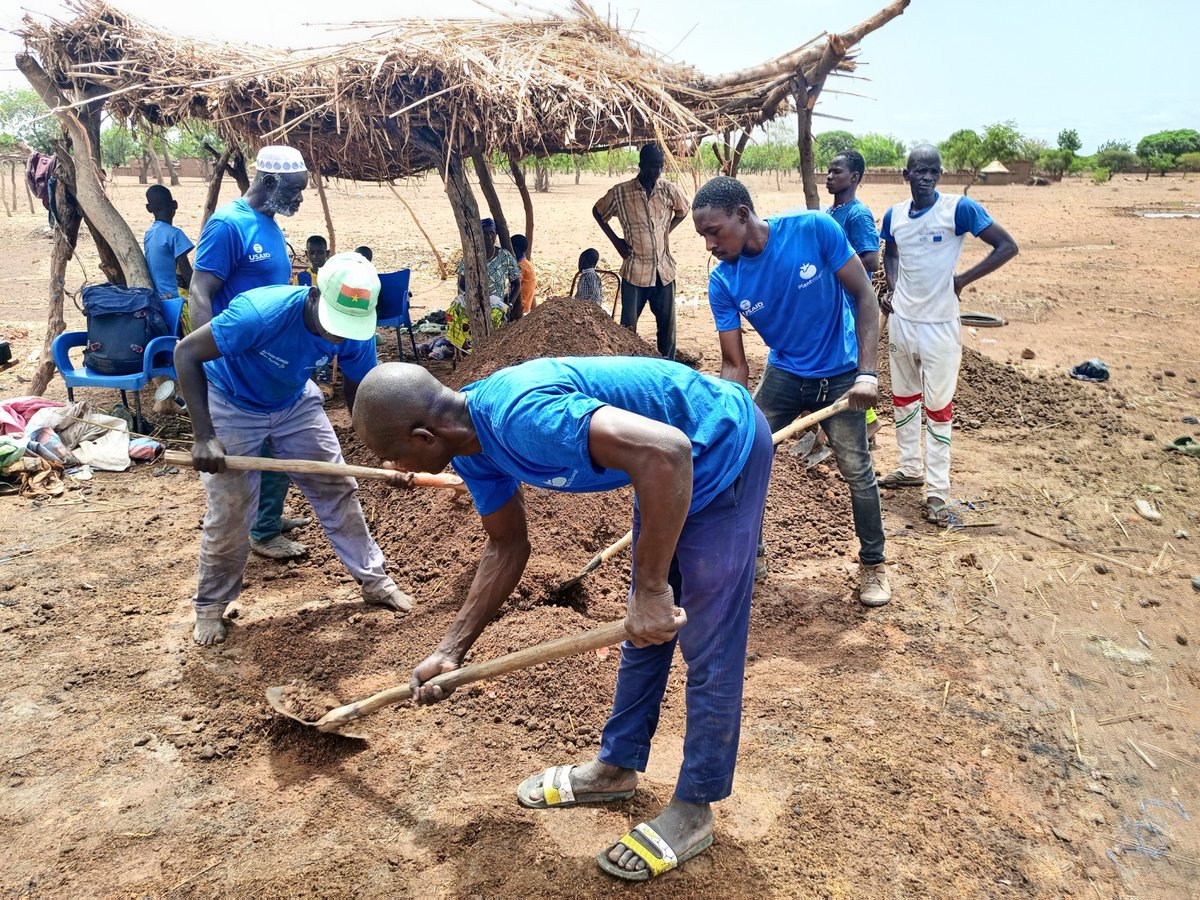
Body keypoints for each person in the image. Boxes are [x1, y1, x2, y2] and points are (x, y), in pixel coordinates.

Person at [351, 356, 772, 882]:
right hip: (665, 471)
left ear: (424, 436)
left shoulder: (521, 417)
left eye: (392, 457)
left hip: (720, 444)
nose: (395, 470)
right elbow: (506, 547)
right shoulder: (473, 449)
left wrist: (650, 587)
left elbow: (668, 452)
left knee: (709, 642)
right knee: (644, 630)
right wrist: (451, 650)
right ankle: (616, 766)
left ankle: (694, 807)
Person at [174, 252, 413, 646]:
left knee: (338, 487)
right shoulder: (258, 313)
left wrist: (374, 446)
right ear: (314, 294)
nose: (337, 338)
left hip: (293, 400)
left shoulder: (355, 330)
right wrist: (203, 436)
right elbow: (185, 353)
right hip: (231, 400)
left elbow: (359, 388)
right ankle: (210, 607)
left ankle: (375, 582)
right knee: (232, 509)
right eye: (333, 326)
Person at [693, 175, 890, 607]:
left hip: (841, 371)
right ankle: (751, 557)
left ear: (742, 215)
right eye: (702, 235)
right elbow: (733, 364)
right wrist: (733, 417)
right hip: (785, 373)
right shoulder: (724, 282)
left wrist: (867, 374)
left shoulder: (814, 229)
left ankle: (873, 564)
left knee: (856, 468)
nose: (709, 245)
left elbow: (864, 297)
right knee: (743, 461)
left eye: (713, 232)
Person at [879, 145, 1019, 526]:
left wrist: (961, 280)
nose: (927, 177)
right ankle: (909, 469)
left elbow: (1007, 246)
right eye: (919, 171)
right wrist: (891, 288)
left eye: (934, 171)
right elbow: (890, 252)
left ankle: (937, 491)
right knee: (904, 399)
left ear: (940, 175)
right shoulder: (894, 216)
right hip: (903, 323)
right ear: (905, 175)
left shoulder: (958, 210)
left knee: (938, 410)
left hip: (940, 325)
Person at [189, 145, 312, 562]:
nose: (299, 199)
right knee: (251, 459)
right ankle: (259, 532)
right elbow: (200, 291)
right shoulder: (227, 224)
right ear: (270, 181)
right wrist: (207, 356)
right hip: (237, 361)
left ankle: (269, 518)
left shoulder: (269, 223)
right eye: (295, 191)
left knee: (275, 448)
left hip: (269, 362)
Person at [593, 144, 689, 359]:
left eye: (660, 166)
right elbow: (598, 211)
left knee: (667, 328)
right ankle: (628, 368)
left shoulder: (667, 190)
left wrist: (666, 231)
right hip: (635, 271)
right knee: (627, 329)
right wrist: (616, 241)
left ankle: (668, 367)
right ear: (641, 165)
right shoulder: (621, 192)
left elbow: (684, 209)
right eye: (653, 166)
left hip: (663, 271)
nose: (657, 171)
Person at [825, 150, 884, 448]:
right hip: (833, 303)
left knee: (848, 364)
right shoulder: (832, 213)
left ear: (855, 177)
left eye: (836, 171)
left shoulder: (857, 214)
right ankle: (867, 422)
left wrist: (839, 268)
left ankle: (868, 423)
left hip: (851, 302)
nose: (829, 176)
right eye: (829, 171)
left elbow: (871, 260)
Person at [455, 218, 520, 321]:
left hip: (497, 307)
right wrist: (470, 300)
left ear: (496, 234)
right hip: (474, 307)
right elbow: (461, 283)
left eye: (492, 233)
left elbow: (516, 283)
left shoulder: (505, 256)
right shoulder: (471, 256)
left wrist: (510, 304)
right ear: (479, 235)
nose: (489, 236)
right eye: (485, 233)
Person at [143, 185, 193, 301]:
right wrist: (199, 295)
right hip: (176, 298)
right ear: (175, 204)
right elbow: (186, 271)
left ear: (149, 208)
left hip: (159, 297)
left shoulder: (149, 234)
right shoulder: (174, 234)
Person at [511, 234, 536, 316]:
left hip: (520, 308)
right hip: (525, 306)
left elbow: (513, 286)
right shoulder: (526, 263)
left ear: (515, 249)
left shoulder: (520, 267)